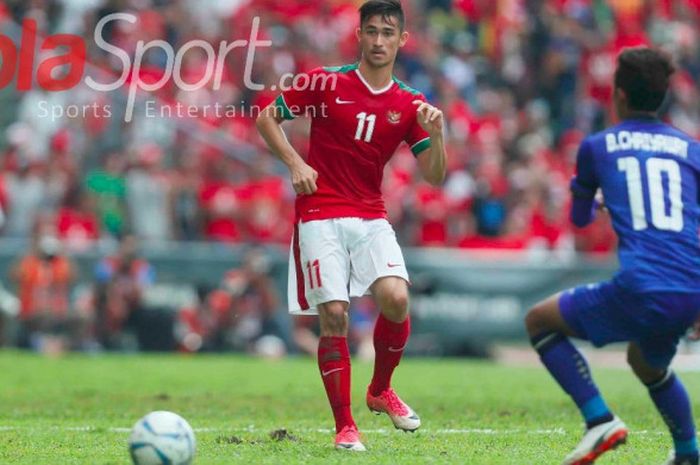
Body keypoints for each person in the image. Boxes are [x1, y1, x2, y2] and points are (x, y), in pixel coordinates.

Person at [256, 0, 447, 452]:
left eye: (388, 33)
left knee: (397, 298)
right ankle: (345, 426)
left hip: (370, 214)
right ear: (358, 35)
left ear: (402, 40)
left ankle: (380, 390)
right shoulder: (325, 82)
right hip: (319, 211)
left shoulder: (410, 103)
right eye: (372, 32)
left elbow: (435, 176)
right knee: (335, 315)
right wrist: (295, 162)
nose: (379, 41)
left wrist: (437, 134)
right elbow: (267, 117)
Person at [525, 47, 700, 465]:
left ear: (618, 95)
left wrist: (590, 194)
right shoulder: (691, 150)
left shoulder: (598, 147)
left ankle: (599, 419)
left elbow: (580, 219)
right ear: (664, 96)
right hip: (691, 289)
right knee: (646, 362)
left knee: (540, 321)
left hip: (642, 286)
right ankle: (689, 453)